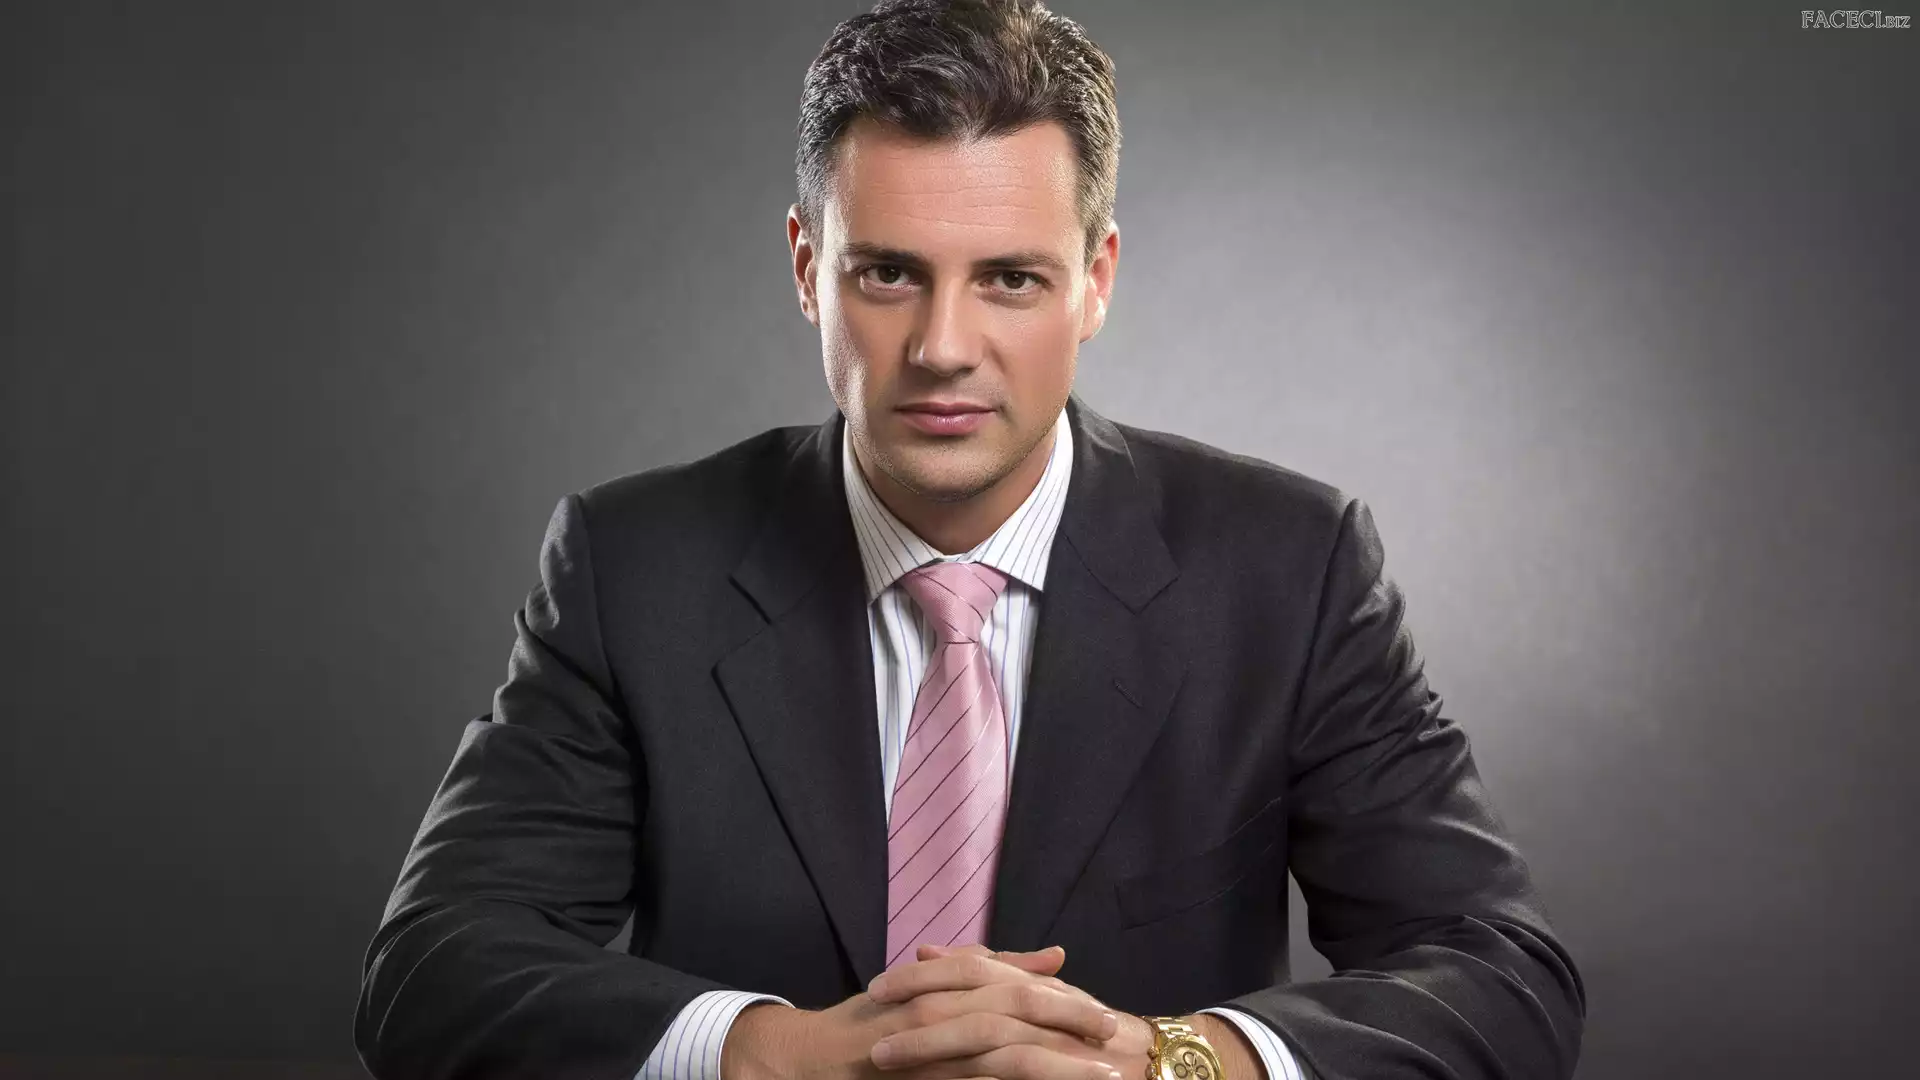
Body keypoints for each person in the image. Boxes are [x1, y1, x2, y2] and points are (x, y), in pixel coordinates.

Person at [352, 2, 1587, 1079]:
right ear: (807, 268)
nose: (944, 348)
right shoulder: (634, 567)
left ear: (1096, 280)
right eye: (889, 274)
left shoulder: (1291, 570)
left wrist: (1171, 1063)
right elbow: (431, 972)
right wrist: (774, 1055)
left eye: (1010, 279)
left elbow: (1501, 975)